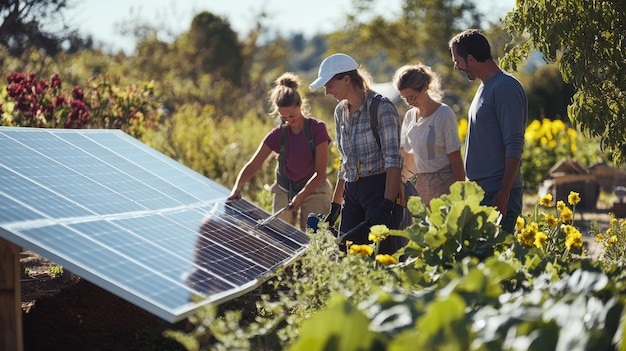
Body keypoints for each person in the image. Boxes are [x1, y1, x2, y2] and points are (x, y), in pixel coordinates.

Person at [309, 53, 404, 254]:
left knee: (381, 256)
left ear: (346, 79)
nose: (327, 91)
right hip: (352, 193)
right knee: (347, 255)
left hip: (379, 190)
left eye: (329, 84)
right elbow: (345, 164)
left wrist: (386, 205)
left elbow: (394, 162)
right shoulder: (340, 112)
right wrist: (335, 207)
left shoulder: (382, 108)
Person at [448, 29, 528, 233]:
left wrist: (503, 195)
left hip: (497, 195)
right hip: (482, 193)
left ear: (471, 59)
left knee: (498, 261)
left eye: (457, 60)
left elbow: (514, 144)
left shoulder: (505, 88)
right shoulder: (484, 87)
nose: (456, 66)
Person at [228, 72, 332, 230]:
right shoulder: (278, 134)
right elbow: (254, 164)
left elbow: (320, 173)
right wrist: (237, 187)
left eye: (292, 115)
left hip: (315, 188)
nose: (288, 120)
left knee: (314, 235)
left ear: (300, 106)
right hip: (285, 188)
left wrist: (300, 197)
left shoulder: (317, 129)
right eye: (283, 117)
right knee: (280, 235)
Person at [393, 64, 466, 207]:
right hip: (421, 185)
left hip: (445, 184)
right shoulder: (409, 116)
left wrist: (460, 195)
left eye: (412, 97)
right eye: (405, 98)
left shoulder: (444, 114)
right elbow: (407, 154)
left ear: (425, 87)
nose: (409, 102)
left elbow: (456, 159)